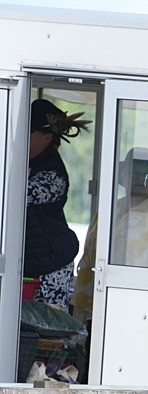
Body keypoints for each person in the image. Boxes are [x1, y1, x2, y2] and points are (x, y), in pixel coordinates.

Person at [73, 147, 148, 324]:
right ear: (123, 176)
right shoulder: (107, 210)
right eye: (134, 172)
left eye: (147, 174)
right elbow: (89, 255)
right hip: (99, 295)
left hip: (137, 298)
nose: (140, 178)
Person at [25, 98, 90, 308]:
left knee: (45, 333)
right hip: (33, 261)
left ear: (46, 137)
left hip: (50, 267)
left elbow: (13, 196)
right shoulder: (27, 163)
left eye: (28, 131)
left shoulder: (52, 176)